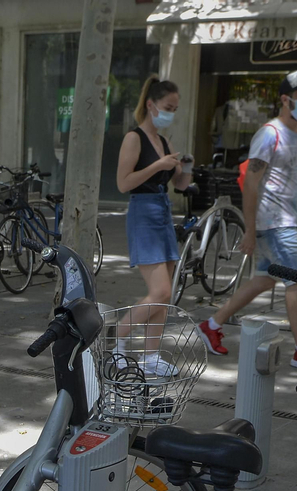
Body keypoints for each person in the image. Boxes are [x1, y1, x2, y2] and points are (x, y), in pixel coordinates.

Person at [197, 70, 297, 370]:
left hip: (284, 220)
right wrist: (250, 228)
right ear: (285, 99)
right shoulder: (269, 134)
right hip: (273, 223)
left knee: (263, 280)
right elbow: (251, 183)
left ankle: (211, 324)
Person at [113, 75, 194, 377]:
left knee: (166, 294)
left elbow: (181, 185)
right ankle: (116, 339)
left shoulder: (163, 141)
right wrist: (157, 166)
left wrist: (185, 166)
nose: (171, 112)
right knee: (159, 291)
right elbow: (123, 184)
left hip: (163, 212)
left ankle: (150, 356)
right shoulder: (134, 138)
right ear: (151, 105)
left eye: (174, 107)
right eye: (167, 106)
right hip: (143, 212)